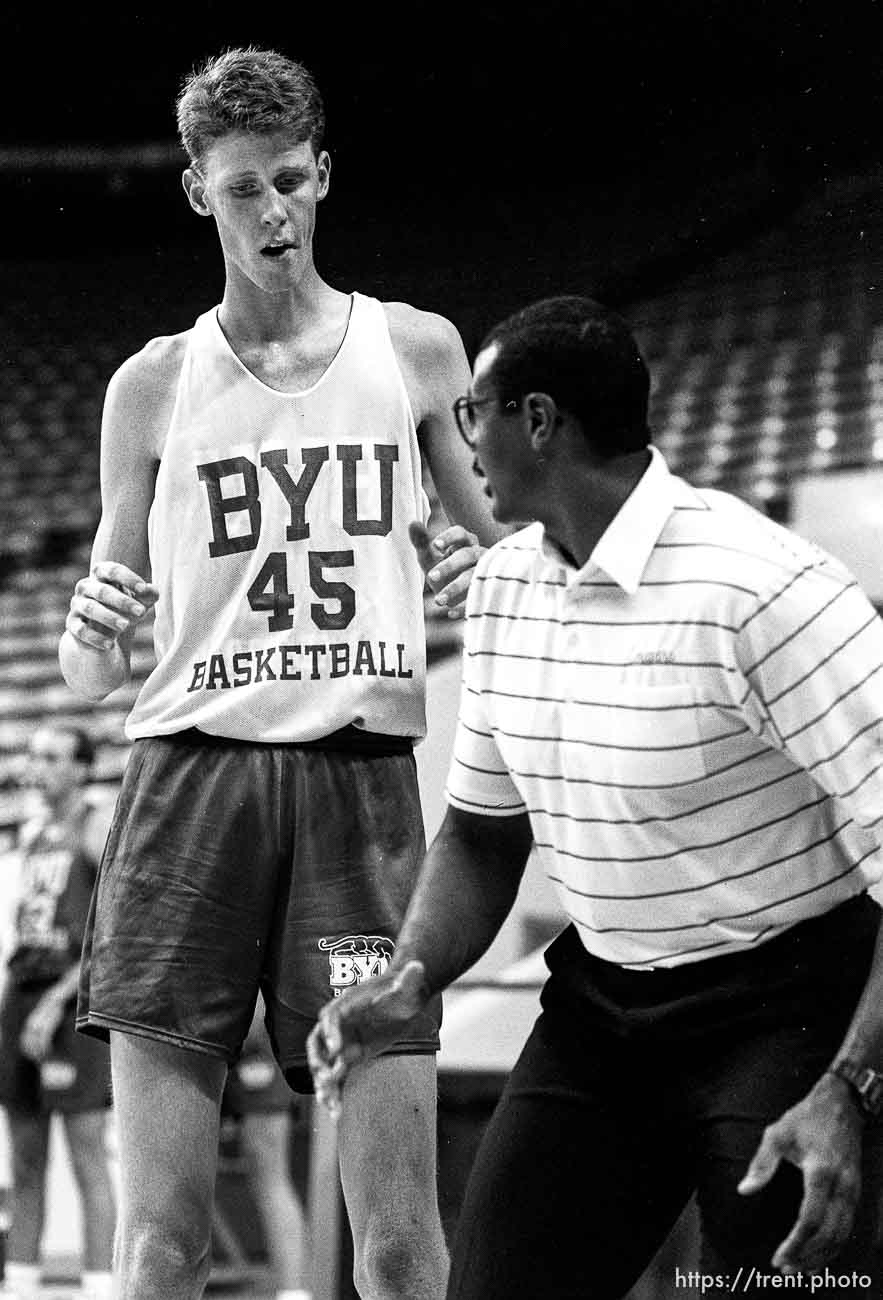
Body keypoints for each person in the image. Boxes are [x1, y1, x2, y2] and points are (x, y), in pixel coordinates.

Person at [308, 294, 883, 1298]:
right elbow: (483, 836)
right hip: (602, 1009)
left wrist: (853, 1087)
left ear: (538, 421)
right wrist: (408, 977)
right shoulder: (502, 592)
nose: (461, 441)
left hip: (788, 1014)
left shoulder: (763, 591)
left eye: (470, 413)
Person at [58, 45, 503, 1300]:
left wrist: (484, 579)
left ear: (323, 177)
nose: (272, 214)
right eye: (242, 187)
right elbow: (89, 673)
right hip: (186, 794)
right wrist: (91, 619)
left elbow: (517, 560)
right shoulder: (149, 385)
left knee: (404, 1241)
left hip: (359, 793)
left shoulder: (416, 352)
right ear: (200, 191)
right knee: (160, 1244)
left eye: (291, 181)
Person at [0, 725, 115, 1300]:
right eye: (33, 754)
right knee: (24, 1155)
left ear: (82, 768)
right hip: (22, 993)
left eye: (51, 757)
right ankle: (18, 1286)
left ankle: (101, 1288)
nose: (35, 766)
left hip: (73, 1000)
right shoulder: (31, 830)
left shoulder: (94, 827)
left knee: (87, 1152)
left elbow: (109, 932)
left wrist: (55, 1000)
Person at [221, 995, 311, 1300]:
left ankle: (293, 1295)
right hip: (199, 1026)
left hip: (257, 1029)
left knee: (268, 1167)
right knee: (185, 1169)